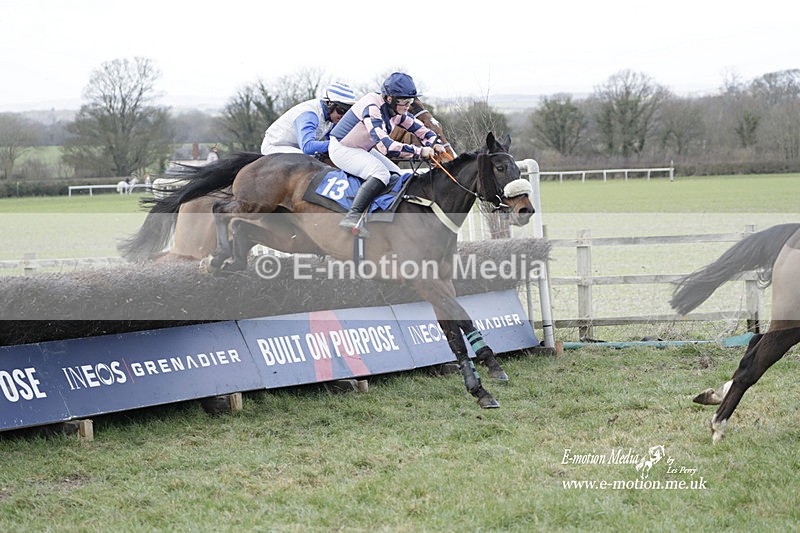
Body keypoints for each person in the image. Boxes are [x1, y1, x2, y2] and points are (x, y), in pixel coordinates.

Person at [329, 72, 446, 236]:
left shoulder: (397, 112)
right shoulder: (372, 107)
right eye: (404, 101)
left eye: (410, 101)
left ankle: (374, 214)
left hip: (362, 148)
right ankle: (352, 217)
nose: (407, 105)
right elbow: (386, 147)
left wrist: (435, 143)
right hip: (341, 148)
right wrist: (420, 152)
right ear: (389, 98)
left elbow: (421, 130)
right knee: (381, 173)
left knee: (396, 175)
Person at [260, 81, 357, 156]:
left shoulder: (331, 116)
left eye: (347, 112)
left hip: (297, 148)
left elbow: (334, 139)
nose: (343, 117)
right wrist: (341, 145)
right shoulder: (309, 114)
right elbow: (308, 147)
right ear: (329, 104)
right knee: (310, 161)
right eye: (341, 111)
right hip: (276, 146)